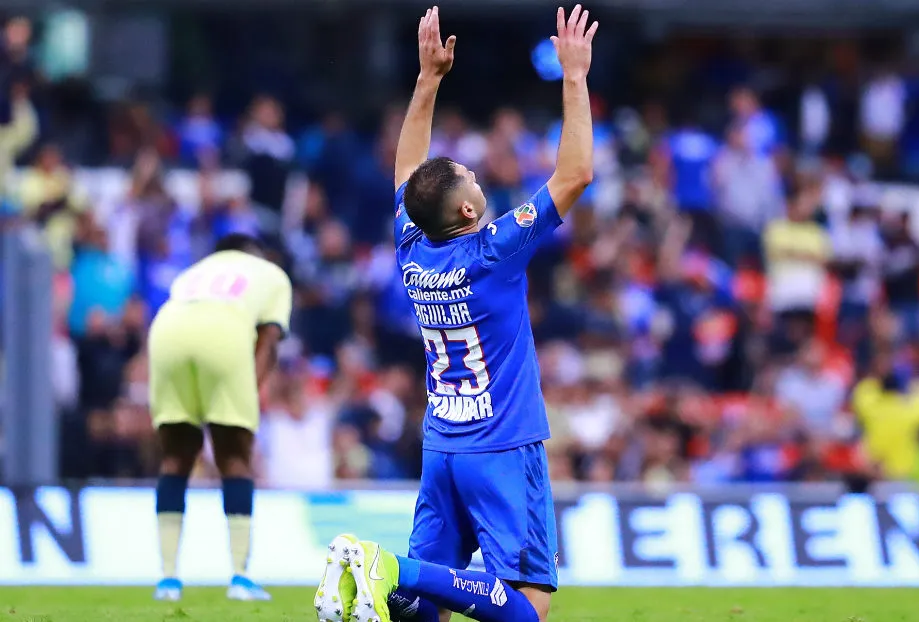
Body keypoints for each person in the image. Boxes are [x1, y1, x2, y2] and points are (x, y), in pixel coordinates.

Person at [315, 5, 596, 622]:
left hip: (443, 445)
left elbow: (406, 173)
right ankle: (389, 568)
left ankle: (387, 585)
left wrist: (427, 80)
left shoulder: (413, 248)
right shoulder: (493, 251)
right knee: (528, 609)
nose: (475, 175)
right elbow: (575, 174)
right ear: (468, 212)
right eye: (469, 177)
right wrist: (574, 77)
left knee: (421, 613)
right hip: (502, 445)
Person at [148, 233, 291, 602]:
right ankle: (240, 578)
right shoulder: (270, 273)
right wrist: (251, 391)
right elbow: (269, 339)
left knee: (175, 456)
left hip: (166, 330)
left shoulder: (192, 272)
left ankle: (167, 580)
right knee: (234, 457)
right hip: (223, 334)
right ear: (254, 253)